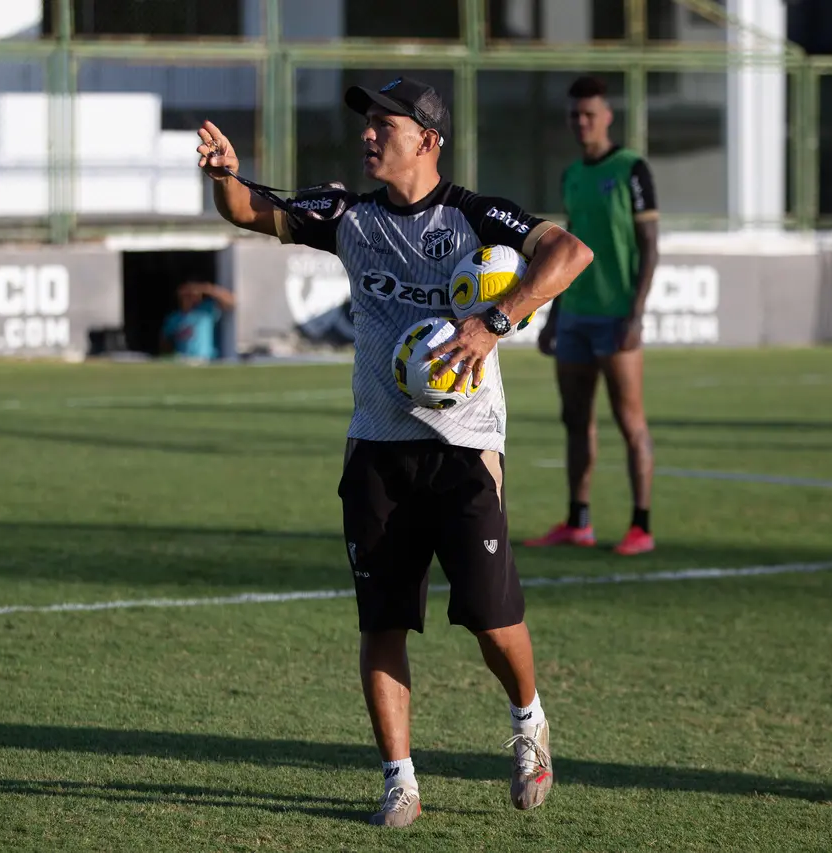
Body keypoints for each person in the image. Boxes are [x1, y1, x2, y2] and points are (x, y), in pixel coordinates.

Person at [196, 76, 592, 827]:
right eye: (367, 122)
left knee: (489, 616)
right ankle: (399, 777)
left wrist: (494, 322)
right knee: (381, 620)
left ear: (428, 139)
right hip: (377, 448)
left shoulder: (478, 216)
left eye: (387, 122)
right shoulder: (348, 214)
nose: (370, 133)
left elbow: (569, 253)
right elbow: (254, 209)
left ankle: (528, 720)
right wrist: (223, 179)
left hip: (463, 447)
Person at [524, 75, 660, 557]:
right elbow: (568, 251)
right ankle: (578, 520)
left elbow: (649, 247)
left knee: (629, 421)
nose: (581, 123)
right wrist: (552, 315)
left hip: (616, 317)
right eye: (574, 116)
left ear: (607, 116)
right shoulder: (572, 175)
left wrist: (636, 315)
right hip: (576, 316)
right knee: (575, 420)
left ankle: (640, 525)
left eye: (590, 114)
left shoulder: (631, 169)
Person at [159, 281, 235, 362]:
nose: (190, 297)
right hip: (183, 360)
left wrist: (206, 288)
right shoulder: (174, 318)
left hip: (205, 360)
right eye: (187, 295)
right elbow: (165, 340)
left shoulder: (206, 311)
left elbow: (231, 302)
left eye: (193, 295)